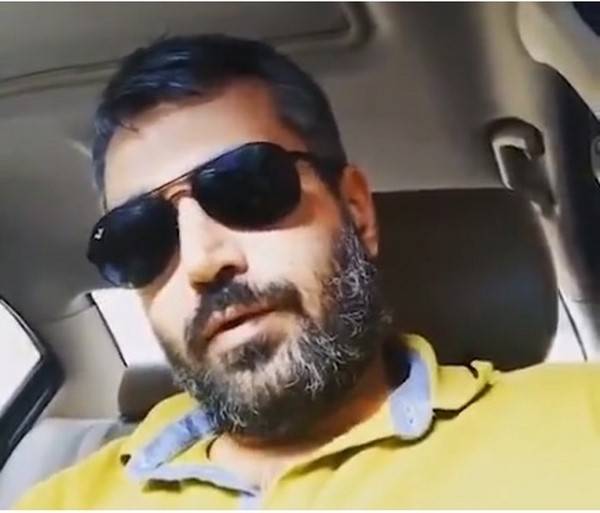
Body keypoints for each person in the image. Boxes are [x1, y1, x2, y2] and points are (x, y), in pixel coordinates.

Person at [16, 34, 600, 509]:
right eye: (139, 236)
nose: (203, 261)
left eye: (247, 186)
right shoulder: (61, 502)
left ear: (357, 211)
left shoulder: (581, 422)